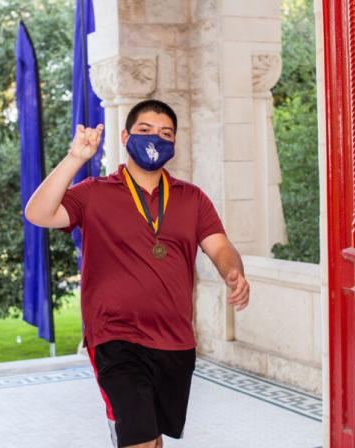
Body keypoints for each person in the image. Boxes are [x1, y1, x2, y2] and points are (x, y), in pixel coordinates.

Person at [25, 99, 249, 448]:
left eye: (165, 133)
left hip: (175, 340)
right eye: (145, 131)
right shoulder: (94, 193)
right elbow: (38, 213)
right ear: (126, 135)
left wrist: (233, 272)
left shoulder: (192, 199)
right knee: (141, 439)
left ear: (174, 144)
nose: (155, 139)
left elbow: (220, 247)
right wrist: (76, 159)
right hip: (114, 336)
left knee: (152, 436)